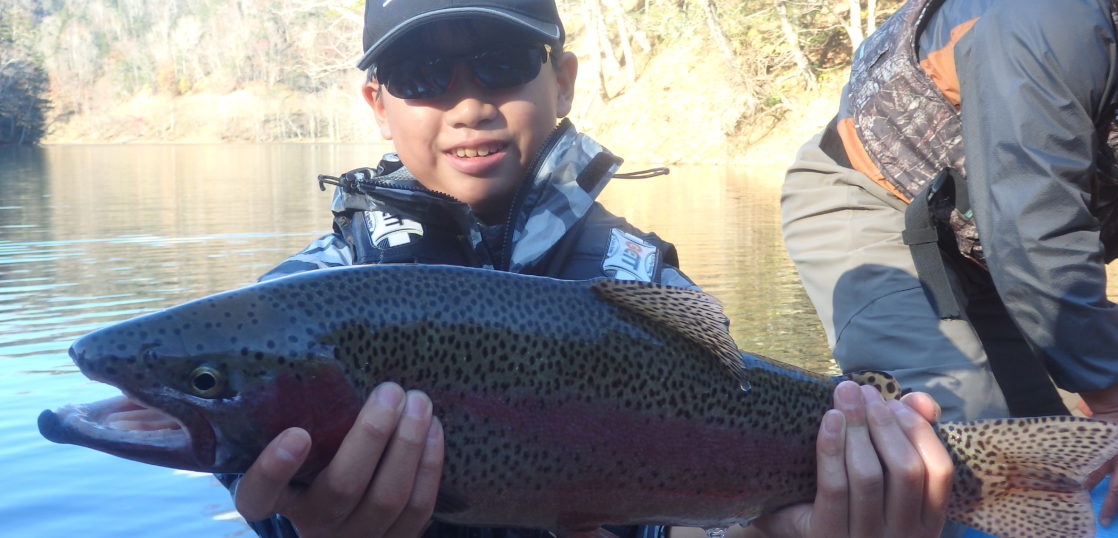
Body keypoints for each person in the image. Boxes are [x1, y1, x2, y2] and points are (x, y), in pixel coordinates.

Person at [223, 1, 954, 536]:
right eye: (421, 74)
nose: (469, 102)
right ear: (378, 105)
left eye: (501, 65)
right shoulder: (298, 306)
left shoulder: (647, 284)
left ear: (564, 82)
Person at [780, 0, 1118, 527]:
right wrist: (1111, 392)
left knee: (1055, 455)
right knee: (956, 456)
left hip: (988, 243)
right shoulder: (1045, 16)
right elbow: (1033, 226)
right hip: (877, 205)